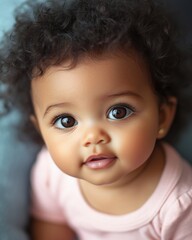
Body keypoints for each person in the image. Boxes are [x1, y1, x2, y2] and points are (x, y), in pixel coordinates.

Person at [0, 0, 192, 239]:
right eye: (66, 121)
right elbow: (51, 225)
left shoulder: (180, 204)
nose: (92, 137)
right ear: (40, 131)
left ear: (162, 116)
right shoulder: (52, 172)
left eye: (118, 112)